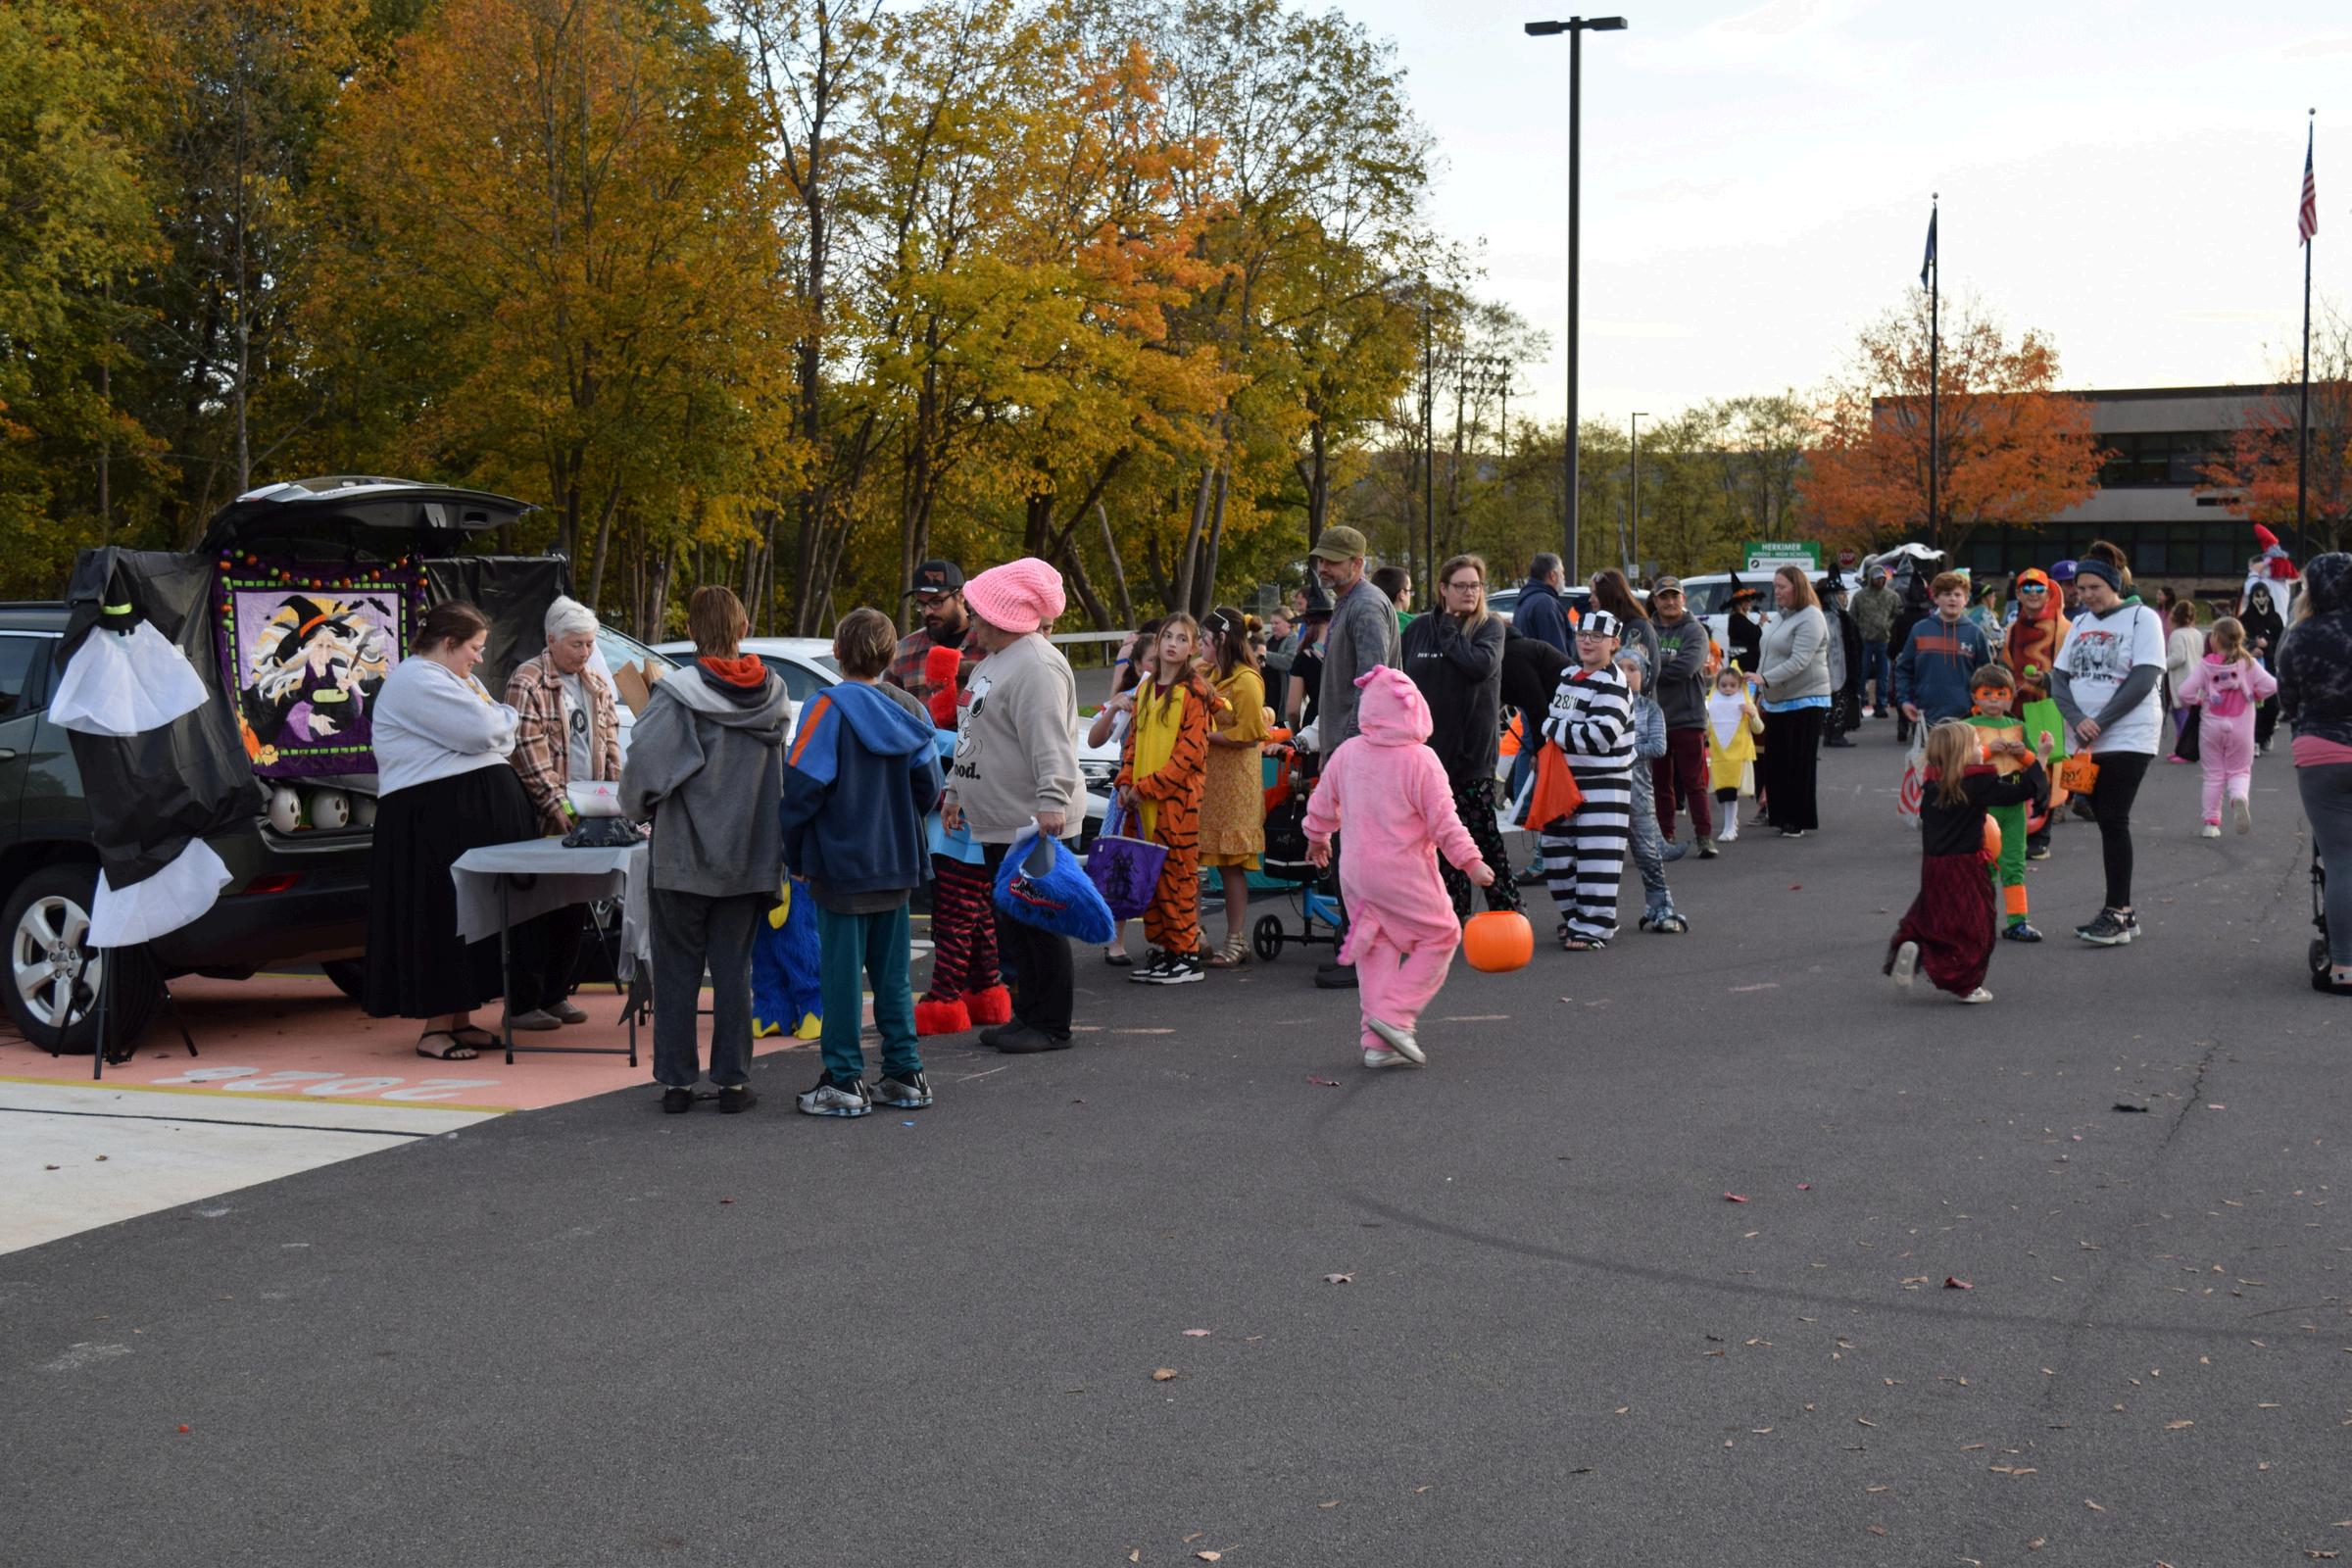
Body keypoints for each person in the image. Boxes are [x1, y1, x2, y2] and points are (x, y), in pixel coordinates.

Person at [363, 600, 570, 1060]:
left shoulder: (457, 679)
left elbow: (500, 728)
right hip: (431, 819)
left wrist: (500, 722)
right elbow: (485, 730)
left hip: (456, 815)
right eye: (474, 648)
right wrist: (501, 721)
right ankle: (435, 1029)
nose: (479, 658)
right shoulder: (417, 679)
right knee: (444, 917)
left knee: (471, 918)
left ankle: (459, 1018)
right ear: (448, 642)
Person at [620, 586, 789, 1113]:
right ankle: (733, 1083)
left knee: (677, 973)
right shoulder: (774, 693)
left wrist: (636, 807)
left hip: (683, 856)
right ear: (743, 628)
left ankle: (677, 1084)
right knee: (735, 971)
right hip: (750, 855)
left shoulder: (676, 695)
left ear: (691, 631)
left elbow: (645, 768)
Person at [778, 608, 943, 1117]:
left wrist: (794, 851)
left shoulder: (825, 708)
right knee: (893, 977)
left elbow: (802, 788)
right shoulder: (910, 709)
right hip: (897, 857)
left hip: (840, 861)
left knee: (842, 978)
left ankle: (844, 1078)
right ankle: (905, 1072)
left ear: (837, 652)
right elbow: (930, 785)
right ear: (890, 655)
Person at [1302, 665, 1493, 1068]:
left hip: (1356, 874)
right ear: (1416, 708)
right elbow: (1444, 822)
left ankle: (1377, 1044)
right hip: (1403, 872)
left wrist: (1317, 838)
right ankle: (1395, 1016)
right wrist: (1471, 861)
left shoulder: (1347, 753)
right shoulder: (1421, 760)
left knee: (1376, 950)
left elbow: (1321, 804)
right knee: (1441, 935)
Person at [945, 558, 1084, 1051]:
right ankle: (1027, 1015)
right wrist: (955, 790)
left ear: (1002, 616)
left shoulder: (1037, 665)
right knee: (1014, 923)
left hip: (1031, 820)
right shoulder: (995, 661)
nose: (972, 620)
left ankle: (1051, 1025)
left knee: (1039, 922)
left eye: (978, 611)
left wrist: (1052, 802)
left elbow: (1050, 742)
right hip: (1001, 819)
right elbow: (972, 735)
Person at [502, 593, 618, 1027]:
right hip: (544, 814)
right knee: (537, 910)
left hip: (589, 810)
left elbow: (609, 743)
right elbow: (526, 751)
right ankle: (523, 1003)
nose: (585, 652)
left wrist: (613, 798)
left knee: (574, 905)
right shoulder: (528, 679)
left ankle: (556, 993)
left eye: (589, 644)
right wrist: (556, 803)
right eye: (577, 644)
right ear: (551, 639)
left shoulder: (596, 682)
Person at [1886, 718, 2050, 1004]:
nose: (1981, 748)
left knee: (1933, 914)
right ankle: (1966, 983)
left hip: (1934, 865)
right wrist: (2041, 757)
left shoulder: (1933, 783)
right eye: (1976, 744)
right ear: (1964, 754)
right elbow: (2022, 790)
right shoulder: (1977, 783)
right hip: (1967, 866)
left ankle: (1914, 943)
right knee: (1976, 926)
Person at [2051, 553, 2166, 947]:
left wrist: (2100, 721)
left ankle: (2116, 912)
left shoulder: (2142, 618)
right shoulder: (2081, 622)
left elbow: (2144, 676)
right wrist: (2076, 718)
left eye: (2094, 588)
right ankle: (2125, 912)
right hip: (2083, 738)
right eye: (2081, 588)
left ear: (2114, 585)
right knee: (2104, 818)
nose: (2086, 595)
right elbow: (2059, 677)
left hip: (2128, 735)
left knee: (2114, 818)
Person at [1308, 525, 1401, 990]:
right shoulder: (1350, 601)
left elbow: (1373, 683)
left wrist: (1347, 751)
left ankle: (1365, 954)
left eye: (1332, 561)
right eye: (1321, 560)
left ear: (1358, 563)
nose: (1323, 568)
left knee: (1359, 858)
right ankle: (1356, 945)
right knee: (1352, 856)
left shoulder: (1364, 606)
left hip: (1362, 751)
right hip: (1351, 747)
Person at [1401, 554, 1519, 916]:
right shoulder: (1418, 629)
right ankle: (1452, 915)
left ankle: (1508, 913)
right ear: (1443, 588)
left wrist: (1451, 631)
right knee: (1439, 840)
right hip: (1428, 755)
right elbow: (1400, 678)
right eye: (1461, 586)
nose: (1469, 592)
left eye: (1475, 586)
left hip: (1472, 757)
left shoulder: (1490, 627)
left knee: (1482, 839)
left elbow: (1479, 666)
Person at [1115, 615, 1213, 985]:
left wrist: (1146, 787)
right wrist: (1126, 782)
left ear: (1193, 647)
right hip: (1141, 805)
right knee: (1150, 879)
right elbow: (1133, 743)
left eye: (1181, 638)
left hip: (1176, 805)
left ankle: (1186, 954)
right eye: (1167, 636)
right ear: (1157, 642)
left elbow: (1188, 756)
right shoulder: (1145, 690)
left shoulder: (1194, 693)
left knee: (1178, 879)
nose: (1173, 643)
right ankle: (1167, 949)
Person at [2276, 552, 2352, 994]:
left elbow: (2286, 697)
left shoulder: (2300, 635)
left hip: (2322, 749)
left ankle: (2343, 966)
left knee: (2341, 859)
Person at [1541, 609, 1635, 951]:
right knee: (1555, 853)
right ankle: (1575, 918)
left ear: (1613, 643)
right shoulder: (1568, 675)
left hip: (1604, 782)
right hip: (1564, 779)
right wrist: (1559, 729)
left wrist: (1551, 727)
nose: (1587, 642)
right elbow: (1571, 727)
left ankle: (1595, 926)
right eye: (1582, 635)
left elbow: (1599, 737)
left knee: (1598, 858)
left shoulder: (1613, 683)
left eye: (1597, 637)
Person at [1088, 617, 1163, 967]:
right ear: (1136, 666)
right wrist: (1116, 707)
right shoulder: (1129, 698)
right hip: (1127, 794)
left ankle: (1171, 938)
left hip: (1163, 792)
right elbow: (1095, 739)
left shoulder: (1177, 696)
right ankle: (1115, 941)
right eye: (1152, 661)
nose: (1159, 666)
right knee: (1122, 864)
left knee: (1167, 867)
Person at [1198, 606, 1269, 968]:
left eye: (1204, 639)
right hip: (1206, 782)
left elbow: (1251, 732)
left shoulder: (1246, 681)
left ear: (1222, 639)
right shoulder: (1204, 672)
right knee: (1191, 858)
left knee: (1230, 865)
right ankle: (1192, 934)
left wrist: (1205, 736)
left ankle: (1235, 939)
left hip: (1235, 784)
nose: (1199, 646)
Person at [2172, 615, 2277, 839]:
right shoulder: (2248, 664)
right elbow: (2272, 685)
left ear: (2216, 638)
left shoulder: (2206, 665)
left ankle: (2211, 823)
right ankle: (2238, 797)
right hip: (2241, 727)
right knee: (2240, 770)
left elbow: (2184, 692)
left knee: (2213, 775)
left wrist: (2197, 702)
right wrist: (2255, 695)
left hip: (2212, 726)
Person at [1965, 664, 2048, 943]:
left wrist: (2023, 753)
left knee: (2014, 864)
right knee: (1984, 866)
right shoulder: (1968, 727)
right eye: (1986, 693)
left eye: (2001, 694)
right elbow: (1962, 763)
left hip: (2013, 802)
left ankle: (2017, 921)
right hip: (1984, 805)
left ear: (2011, 697)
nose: (1993, 700)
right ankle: (1981, 920)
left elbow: (2034, 764)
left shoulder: (2018, 727)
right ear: (1975, 697)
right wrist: (1987, 751)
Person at [1755, 564, 1830, 839]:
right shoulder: (1780, 617)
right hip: (1778, 698)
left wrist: (1764, 679)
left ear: (1797, 587)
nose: (1776, 592)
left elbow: (1799, 661)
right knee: (1776, 760)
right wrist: (1760, 689)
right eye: (1774, 586)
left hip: (1805, 699)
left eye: (1781, 587)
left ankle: (1798, 819)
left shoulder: (1811, 617)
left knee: (1798, 761)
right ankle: (1780, 814)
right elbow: (1767, 653)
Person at [1646, 575, 1716, 856]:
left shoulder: (1695, 631)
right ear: (1655, 600)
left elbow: (1686, 667)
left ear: (1683, 599)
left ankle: (1704, 837)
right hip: (1655, 718)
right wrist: (1662, 665)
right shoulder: (1646, 630)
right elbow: (1636, 665)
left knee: (1694, 782)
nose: (1669, 601)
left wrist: (1654, 667)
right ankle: (1666, 837)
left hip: (1688, 717)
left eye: (1674, 596)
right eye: (1664, 596)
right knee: (1660, 784)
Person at [1618, 646, 1685, 933]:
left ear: (1644, 676)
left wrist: (1626, 752)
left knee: (1647, 854)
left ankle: (1661, 907)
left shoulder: (1650, 709)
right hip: (1602, 791)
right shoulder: (1599, 704)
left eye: (1632, 669)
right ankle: (1588, 912)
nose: (1625, 674)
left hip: (1638, 793)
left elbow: (1658, 746)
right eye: (1619, 668)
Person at [1895, 571, 1993, 732]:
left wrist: (1983, 706)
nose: (1952, 599)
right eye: (1947, 594)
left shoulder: (1975, 634)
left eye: (1958, 594)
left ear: (1966, 599)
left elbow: (1987, 676)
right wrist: (1904, 700)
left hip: (1966, 719)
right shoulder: (1920, 630)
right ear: (1935, 598)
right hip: (1926, 716)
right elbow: (1904, 669)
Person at [885, 559, 980, 707]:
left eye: (936, 602)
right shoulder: (904, 652)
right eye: (921, 604)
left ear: (961, 596)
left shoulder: (989, 643)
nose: (928, 611)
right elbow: (888, 710)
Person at [1704, 663, 1762, 843]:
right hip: (1718, 756)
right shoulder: (1711, 704)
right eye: (1723, 685)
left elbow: (1759, 729)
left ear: (1739, 686)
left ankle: (1729, 827)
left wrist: (1752, 714)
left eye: (1732, 685)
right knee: (1720, 792)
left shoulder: (1746, 703)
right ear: (1717, 685)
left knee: (1731, 792)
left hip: (1739, 756)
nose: (1728, 689)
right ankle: (1730, 822)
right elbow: (1706, 730)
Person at [2003, 567, 2069, 707]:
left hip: (2057, 707)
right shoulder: (2011, 630)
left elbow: (2074, 672)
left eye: (2039, 589)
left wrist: (2046, 679)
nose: (2033, 593)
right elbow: (2004, 669)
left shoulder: (2067, 629)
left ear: (2048, 594)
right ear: (2018, 594)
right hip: (2017, 707)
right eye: (2026, 589)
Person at [2241, 580, 2286, 755]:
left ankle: (2265, 735)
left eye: (2263, 596)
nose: (2261, 600)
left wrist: (2268, 645)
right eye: (2257, 596)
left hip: (2270, 667)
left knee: (2272, 705)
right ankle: (2254, 740)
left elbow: (2282, 642)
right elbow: (2239, 643)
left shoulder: (2275, 619)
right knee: (2255, 705)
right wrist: (2252, 648)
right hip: (2251, 668)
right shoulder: (2244, 620)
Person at [1818, 569, 1862, 747]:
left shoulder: (1841, 616)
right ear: (1832, 597)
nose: (1845, 598)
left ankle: (1833, 733)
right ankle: (1834, 734)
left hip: (1841, 667)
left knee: (1838, 701)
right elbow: (1834, 647)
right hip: (1836, 668)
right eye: (1841, 594)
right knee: (1837, 700)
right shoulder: (1831, 618)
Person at [1851, 565, 1899, 716]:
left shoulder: (1892, 596)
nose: (1880, 581)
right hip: (1864, 640)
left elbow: (1898, 614)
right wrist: (1858, 632)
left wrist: (1889, 626)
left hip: (1884, 640)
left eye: (1882, 578)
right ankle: (1858, 704)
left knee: (1883, 675)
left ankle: (1881, 705)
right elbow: (1853, 616)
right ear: (1871, 579)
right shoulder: (1860, 596)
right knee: (1862, 673)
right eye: (1877, 578)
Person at [2164, 599, 2204, 764]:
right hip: (2196, 678)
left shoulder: (2177, 635)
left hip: (2182, 679)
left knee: (2181, 716)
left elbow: (2178, 657)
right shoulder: (2197, 633)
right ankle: (2180, 748)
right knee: (2188, 716)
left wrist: (2161, 663)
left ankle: (2185, 750)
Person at [1511, 552, 1572, 653]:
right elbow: (1556, 652)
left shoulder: (1524, 600)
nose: (1563, 577)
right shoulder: (1546, 604)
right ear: (1553, 575)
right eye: (1562, 572)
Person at [1283, 595, 1328, 730]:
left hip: (1313, 726)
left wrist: (1297, 732)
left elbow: (1292, 710)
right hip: (1343, 727)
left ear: (1307, 623)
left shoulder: (1303, 657)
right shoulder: (1347, 652)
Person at [1724, 576, 1764, 684]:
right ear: (1741, 603)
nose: (1750, 603)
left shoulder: (1739, 618)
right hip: (1744, 663)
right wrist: (1761, 622)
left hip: (1746, 661)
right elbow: (1754, 635)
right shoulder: (1737, 618)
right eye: (1748, 601)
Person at [1371, 564, 1415, 631]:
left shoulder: (1366, 622)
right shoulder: (1415, 624)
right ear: (1402, 594)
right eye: (1410, 590)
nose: (1410, 595)